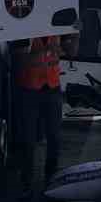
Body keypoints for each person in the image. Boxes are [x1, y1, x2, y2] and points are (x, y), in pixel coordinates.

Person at [14, 33, 70, 191]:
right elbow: (21, 60)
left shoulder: (58, 28)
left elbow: (71, 51)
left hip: (52, 87)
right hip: (28, 89)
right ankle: (26, 183)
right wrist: (47, 53)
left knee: (54, 136)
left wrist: (76, 34)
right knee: (28, 139)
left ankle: (51, 179)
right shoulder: (25, 28)